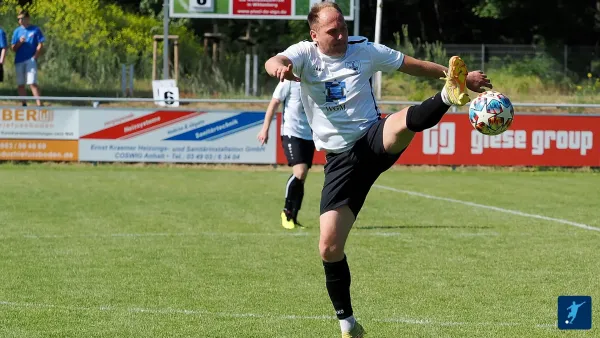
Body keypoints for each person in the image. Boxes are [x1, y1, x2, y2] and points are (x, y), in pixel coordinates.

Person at [264, 2, 492, 337]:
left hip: (372, 139)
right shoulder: (304, 54)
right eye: (332, 31)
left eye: (342, 27)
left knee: (401, 122)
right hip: (340, 162)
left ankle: (447, 96)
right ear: (314, 35)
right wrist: (279, 68)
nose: (341, 34)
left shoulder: (364, 50)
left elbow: (413, 66)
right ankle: (348, 324)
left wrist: (457, 76)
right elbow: (275, 60)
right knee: (328, 246)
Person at [257, 79, 315, 229]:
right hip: (291, 133)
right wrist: (265, 129)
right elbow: (274, 104)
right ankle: (286, 212)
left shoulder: (313, 79)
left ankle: (294, 218)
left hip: (309, 135)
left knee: (302, 178)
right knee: (300, 172)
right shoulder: (288, 81)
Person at [11, 10, 45, 107]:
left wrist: (35, 56)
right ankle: (24, 104)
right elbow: (13, 48)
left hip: (30, 60)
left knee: (32, 82)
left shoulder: (35, 29)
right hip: (19, 60)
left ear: (27, 19)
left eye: (22, 18)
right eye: (18, 19)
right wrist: (20, 42)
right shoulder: (17, 31)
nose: (20, 20)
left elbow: (40, 44)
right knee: (20, 84)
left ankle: (39, 105)